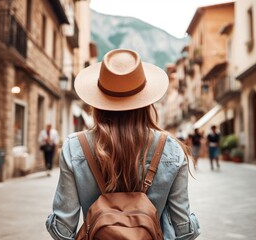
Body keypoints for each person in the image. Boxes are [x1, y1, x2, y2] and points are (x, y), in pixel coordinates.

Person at [46, 49, 200, 239]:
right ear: (146, 102)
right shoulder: (172, 149)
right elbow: (184, 231)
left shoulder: (75, 147)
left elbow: (63, 230)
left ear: (98, 100)